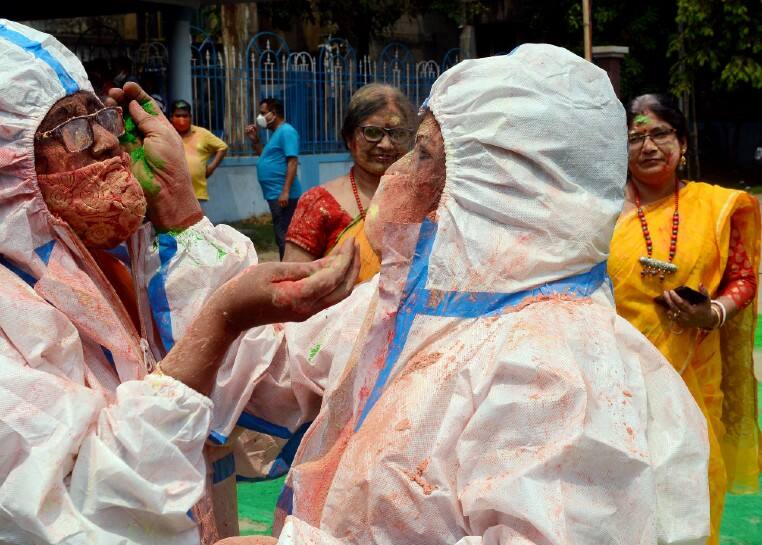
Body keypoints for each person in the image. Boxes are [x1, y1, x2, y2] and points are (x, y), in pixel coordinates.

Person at [0, 19, 358, 545]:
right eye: (71, 128)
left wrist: (179, 209)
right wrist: (220, 323)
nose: (109, 141)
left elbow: (260, 386)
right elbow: (93, 512)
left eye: (101, 116)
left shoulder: (113, 267)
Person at [213, 44, 710, 545]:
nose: (399, 174)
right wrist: (192, 236)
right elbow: (272, 368)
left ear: (498, 186)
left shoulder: (557, 372)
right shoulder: (418, 308)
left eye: (423, 153)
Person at [608, 93, 760, 545]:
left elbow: (743, 278)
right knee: (628, 490)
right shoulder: (601, 210)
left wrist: (711, 312)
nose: (648, 146)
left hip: (696, 375)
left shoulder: (715, 206)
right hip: (620, 378)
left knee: (695, 483)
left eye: (660, 134)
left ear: (683, 144)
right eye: (636, 137)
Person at [284, 84, 414, 282]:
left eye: (397, 134)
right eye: (372, 132)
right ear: (349, 137)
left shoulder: (424, 201)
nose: (386, 144)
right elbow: (291, 285)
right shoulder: (318, 204)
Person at [245, 98, 303, 258]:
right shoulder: (277, 134)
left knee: (284, 234)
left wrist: (285, 191)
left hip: (284, 195)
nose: (260, 117)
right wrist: (255, 140)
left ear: (274, 114)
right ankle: (286, 266)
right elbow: (265, 157)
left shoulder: (287, 132)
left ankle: (288, 268)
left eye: (263, 113)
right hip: (275, 194)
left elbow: (292, 162)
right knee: (281, 233)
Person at [170, 99, 228, 202]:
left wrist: (211, 167)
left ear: (191, 117)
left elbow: (222, 147)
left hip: (197, 194)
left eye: (185, 116)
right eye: (178, 116)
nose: (181, 119)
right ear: (171, 118)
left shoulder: (201, 133)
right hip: (172, 193)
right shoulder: (166, 134)